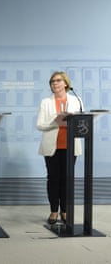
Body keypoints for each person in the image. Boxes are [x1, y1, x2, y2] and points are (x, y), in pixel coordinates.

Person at [36, 71, 82, 225]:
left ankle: (65, 211)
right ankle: (54, 211)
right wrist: (55, 122)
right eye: (52, 81)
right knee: (53, 179)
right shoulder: (45, 102)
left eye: (58, 81)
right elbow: (39, 125)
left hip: (70, 145)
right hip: (52, 146)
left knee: (67, 180)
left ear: (65, 83)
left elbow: (82, 121)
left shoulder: (77, 100)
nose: (54, 83)